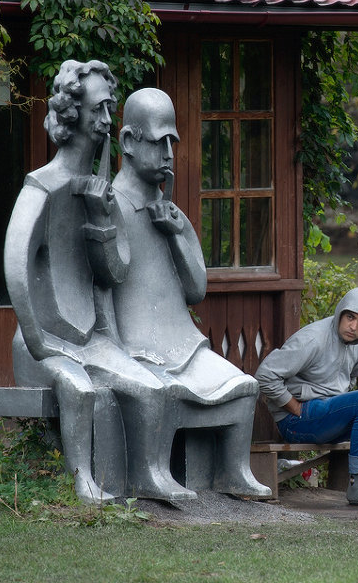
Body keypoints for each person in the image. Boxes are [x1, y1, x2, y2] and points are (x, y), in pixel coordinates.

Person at [5, 60, 188, 503]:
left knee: (154, 385)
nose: (108, 122)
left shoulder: (98, 190)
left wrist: (101, 221)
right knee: (79, 388)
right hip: (44, 341)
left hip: (90, 340)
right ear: (73, 114)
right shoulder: (43, 186)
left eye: (110, 110)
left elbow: (114, 274)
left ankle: (149, 476)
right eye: (100, 110)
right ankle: (82, 482)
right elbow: (16, 267)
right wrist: (38, 340)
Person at [110, 87, 270, 498]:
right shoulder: (110, 206)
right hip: (136, 346)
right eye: (158, 140)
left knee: (244, 385)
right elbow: (106, 276)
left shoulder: (171, 214)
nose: (167, 152)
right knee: (159, 392)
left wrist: (178, 233)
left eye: (172, 142)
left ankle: (233, 472)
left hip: (182, 343)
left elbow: (197, 289)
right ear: (128, 142)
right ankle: (150, 473)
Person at [255, 287, 358, 506]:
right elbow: (265, 375)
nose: (353, 327)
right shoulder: (313, 339)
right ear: (340, 313)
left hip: (328, 414)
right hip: (296, 420)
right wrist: (293, 406)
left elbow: (351, 378)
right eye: (350, 317)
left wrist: (343, 408)